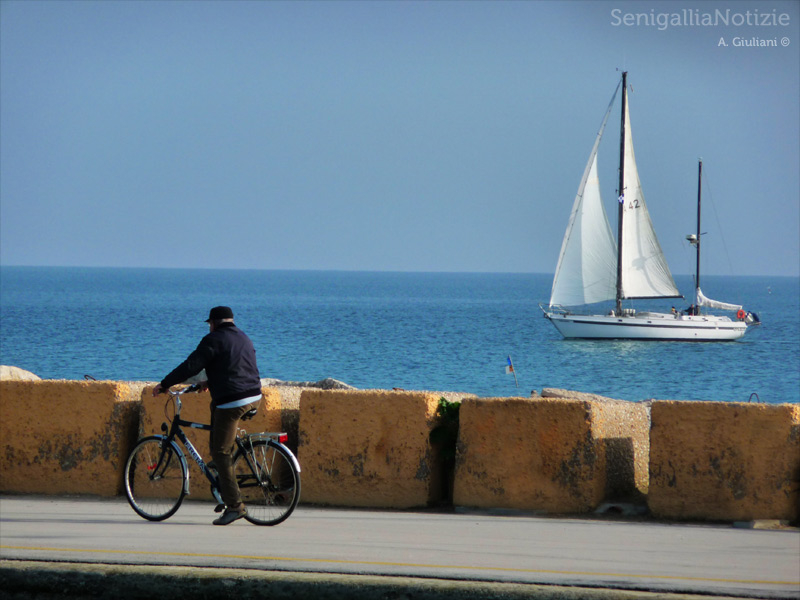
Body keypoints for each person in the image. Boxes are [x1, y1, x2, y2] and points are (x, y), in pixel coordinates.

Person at [153, 306, 262, 526]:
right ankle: (222, 475)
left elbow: (190, 365)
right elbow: (234, 366)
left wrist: (165, 384)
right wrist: (208, 382)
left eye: (210, 324)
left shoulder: (213, 340)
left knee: (221, 451)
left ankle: (235, 506)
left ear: (213, 323)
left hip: (234, 400)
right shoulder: (242, 337)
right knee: (217, 416)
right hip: (254, 395)